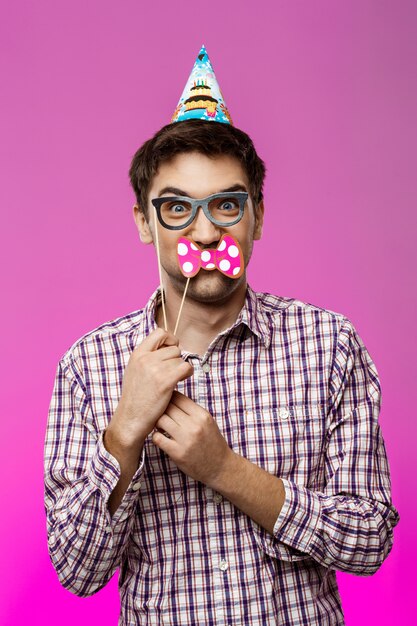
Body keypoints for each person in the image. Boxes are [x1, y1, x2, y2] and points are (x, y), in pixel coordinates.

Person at [44, 47, 399, 626]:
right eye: (177, 208)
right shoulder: (90, 364)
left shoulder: (329, 344)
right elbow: (77, 574)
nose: (206, 232)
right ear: (143, 222)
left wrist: (226, 470)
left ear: (257, 214)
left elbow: (369, 543)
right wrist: (124, 434)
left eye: (227, 205)